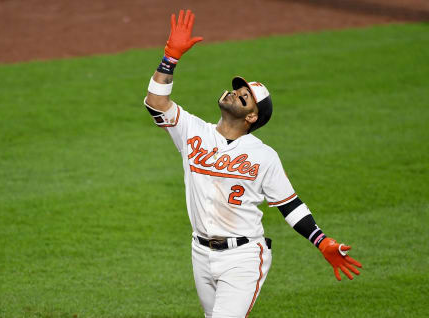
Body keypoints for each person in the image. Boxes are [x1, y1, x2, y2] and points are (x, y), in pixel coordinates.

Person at [144, 9, 362, 318]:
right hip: (200, 252)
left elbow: (290, 204)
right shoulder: (193, 131)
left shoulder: (263, 156)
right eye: (237, 90)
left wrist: (322, 241)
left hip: (244, 258)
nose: (235, 94)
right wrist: (170, 58)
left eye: (244, 97)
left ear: (251, 117)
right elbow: (156, 104)